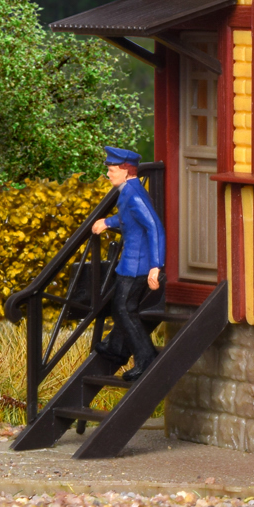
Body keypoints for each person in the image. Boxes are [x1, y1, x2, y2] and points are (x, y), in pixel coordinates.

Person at [90, 145, 165, 381]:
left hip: (138, 264)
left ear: (126, 171)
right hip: (130, 262)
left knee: (124, 309)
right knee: (120, 306)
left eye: (112, 170)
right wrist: (108, 222)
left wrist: (156, 266)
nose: (108, 174)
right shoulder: (128, 191)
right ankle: (116, 347)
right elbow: (128, 218)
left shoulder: (134, 194)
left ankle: (146, 359)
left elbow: (154, 227)